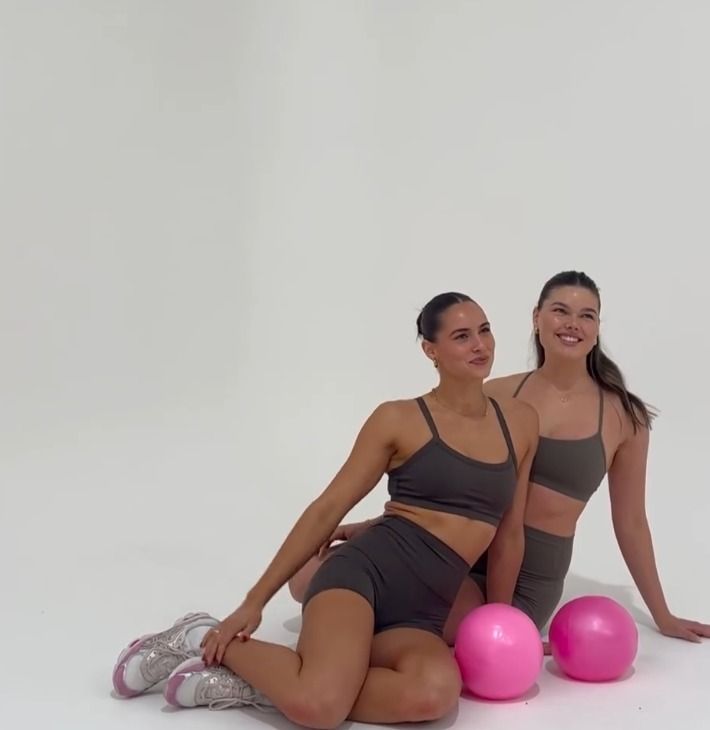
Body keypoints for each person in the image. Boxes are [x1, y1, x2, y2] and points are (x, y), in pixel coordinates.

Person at [111, 293, 539, 726]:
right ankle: (201, 633)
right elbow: (328, 508)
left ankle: (266, 685)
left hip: (423, 614)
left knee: (433, 696)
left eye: (485, 330)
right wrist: (254, 602)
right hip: (363, 578)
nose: (480, 345)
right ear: (431, 350)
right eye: (462, 336)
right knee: (321, 708)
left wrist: (503, 630)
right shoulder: (399, 419)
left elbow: (510, 534)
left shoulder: (520, 423)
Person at [289, 271, 710, 648]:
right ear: (536, 318)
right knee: (306, 577)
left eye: (587, 316)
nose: (573, 324)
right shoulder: (496, 393)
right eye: (560, 311)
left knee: (385, 617)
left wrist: (663, 615)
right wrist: (374, 528)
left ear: (598, 328)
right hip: (453, 551)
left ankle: (329, 675)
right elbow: (446, 489)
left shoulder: (624, 417)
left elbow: (631, 522)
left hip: (525, 579)